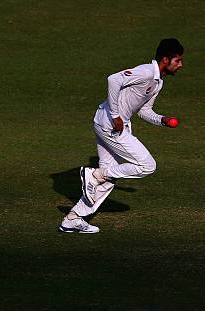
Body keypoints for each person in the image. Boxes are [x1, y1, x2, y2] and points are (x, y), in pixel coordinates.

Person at [59, 38, 184, 233]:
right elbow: (113, 79)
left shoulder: (158, 83)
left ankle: (73, 218)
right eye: (177, 60)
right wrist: (116, 115)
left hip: (107, 122)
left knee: (108, 179)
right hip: (112, 124)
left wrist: (162, 120)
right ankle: (94, 174)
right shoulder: (146, 72)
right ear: (166, 59)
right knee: (147, 166)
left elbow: (143, 110)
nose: (180, 65)